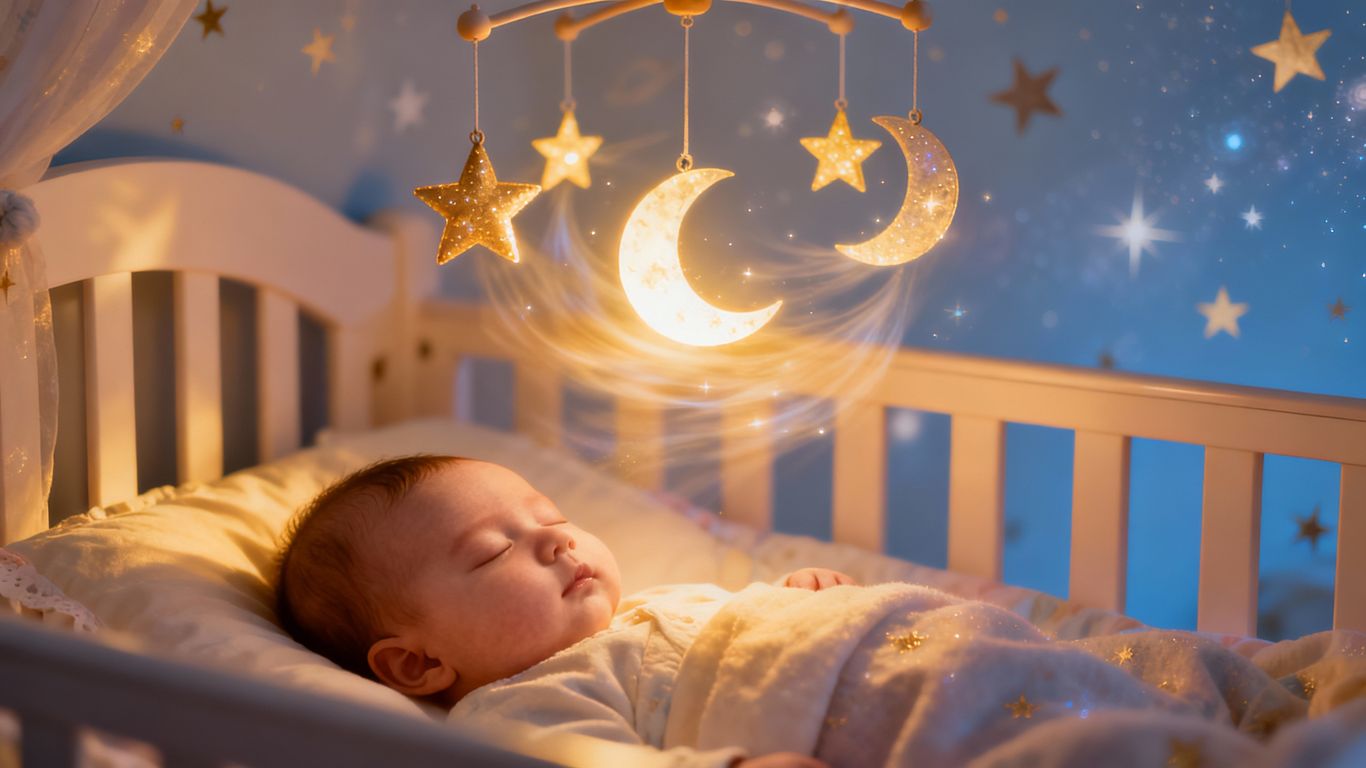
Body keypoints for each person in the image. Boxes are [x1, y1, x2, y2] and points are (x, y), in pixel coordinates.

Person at [276, 454, 847, 767]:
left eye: (551, 518)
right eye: (494, 552)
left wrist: (794, 596)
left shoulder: (655, 602)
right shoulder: (523, 707)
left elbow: (739, 621)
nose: (558, 541)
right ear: (418, 663)